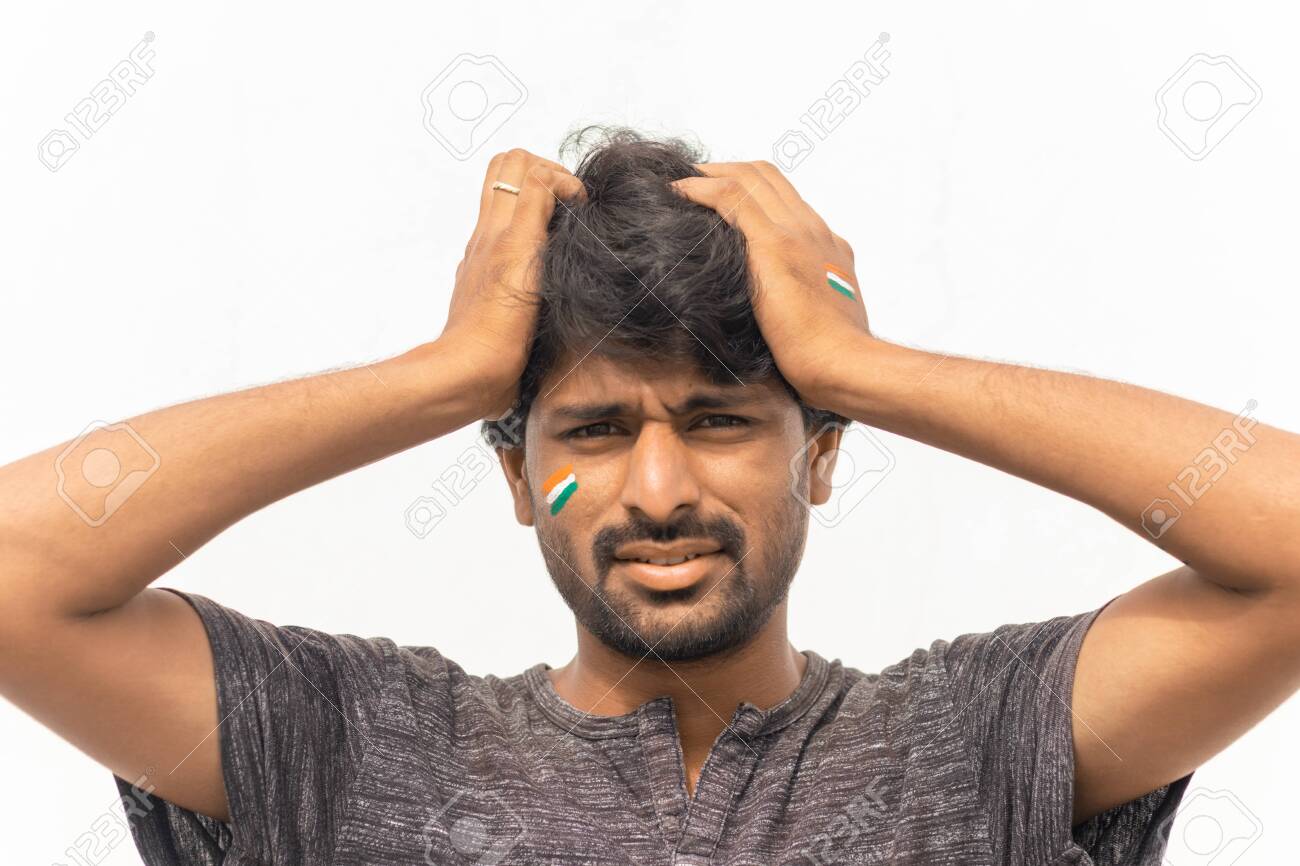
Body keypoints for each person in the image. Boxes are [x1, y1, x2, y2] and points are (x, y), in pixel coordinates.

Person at [2, 127, 1297, 866]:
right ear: (518, 476)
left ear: (822, 455)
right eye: (597, 430)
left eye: (721, 419)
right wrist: (444, 374)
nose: (660, 489)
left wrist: (863, 367)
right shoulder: (350, 747)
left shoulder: (981, 742)